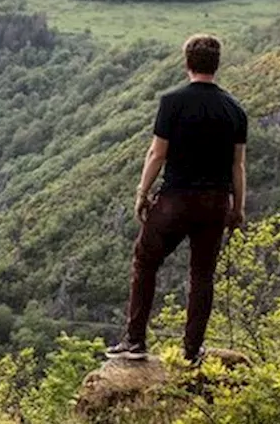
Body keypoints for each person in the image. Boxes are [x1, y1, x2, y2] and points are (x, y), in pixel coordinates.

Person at [106, 34, 248, 365]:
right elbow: (238, 165)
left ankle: (135, 341)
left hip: (176, 198)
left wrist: (142, 192)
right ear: (217, 64)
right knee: (202, 274)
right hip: (215, 202)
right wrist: (237, 209)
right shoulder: (235, 110)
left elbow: (157, 153)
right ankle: (192, 350)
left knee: (145, 261)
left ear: (187, 63)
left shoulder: (172, 102)